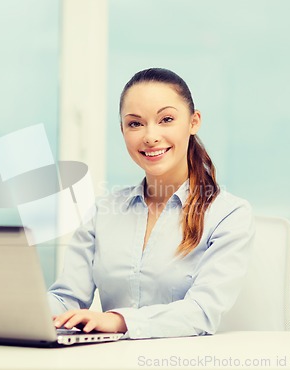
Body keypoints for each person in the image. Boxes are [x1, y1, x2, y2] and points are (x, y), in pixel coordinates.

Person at [47, 67, 255, 339]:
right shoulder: (104, 211)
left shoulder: (229, 214)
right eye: (135, 123)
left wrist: (119, 321)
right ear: (122, 130)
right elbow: (67, 298)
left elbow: (202, 312)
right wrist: (21, 310)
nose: (150, 136)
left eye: (166, 119)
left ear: (194, 122)